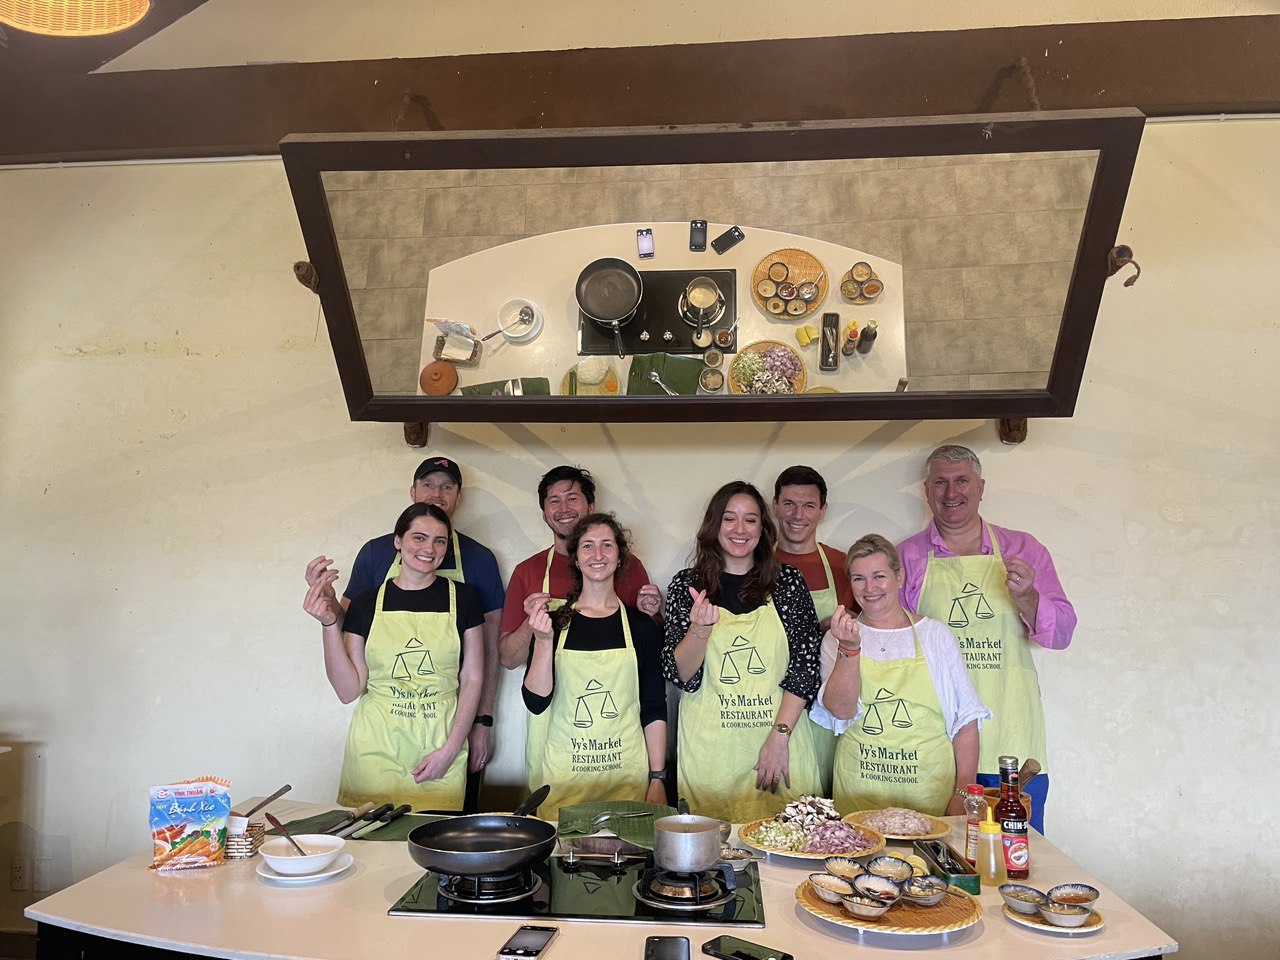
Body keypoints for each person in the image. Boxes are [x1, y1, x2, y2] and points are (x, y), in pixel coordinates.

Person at [305, 456, 504, 811]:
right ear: (397, 541)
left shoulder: (466, 598)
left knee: (435, 838)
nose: (428, 549)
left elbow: (473, 677)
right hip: (374, 752)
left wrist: (451, 749)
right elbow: (348, 691)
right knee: (368, 844)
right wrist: (328, 623)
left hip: (439, 748)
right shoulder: (365, 603)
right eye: (419, 537)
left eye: (439, 541)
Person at [898, 444, 1076, 832]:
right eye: (940, 483)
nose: (951, 493)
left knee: (1015, 854)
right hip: (936, 746)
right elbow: (892, 650)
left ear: (981, 487)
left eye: (962, 480)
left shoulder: (1024, 549)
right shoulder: (907, 557)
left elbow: (1062, 634)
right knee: (938, 857)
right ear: (926, 490)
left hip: (1011, 739)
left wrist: (1028, 597)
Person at [662, 481, 822, 823]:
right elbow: (681, 676)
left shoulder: (788, 583)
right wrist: (699, 629)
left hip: (781, 746)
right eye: (729, 518)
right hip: (712, 756)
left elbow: (805, 669)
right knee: (714, 850)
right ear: (714, 525)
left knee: (790, 843)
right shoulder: (687, 586)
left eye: (750, 520)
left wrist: (779, 738)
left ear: (762, 529)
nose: (740, 529)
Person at [812, 535, 989, 816]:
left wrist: (963, 792)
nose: (870, 588)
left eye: (879, 576)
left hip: (929, 798)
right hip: (859, 795)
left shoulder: (935, 635)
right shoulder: (838, 637)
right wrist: (849, 649)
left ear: (899, 577)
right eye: (859, 579)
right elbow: (841, 711)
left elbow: (966, 721)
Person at [522, 513, 669, 819]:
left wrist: (657, 778)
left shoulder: (641, 627)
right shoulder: (553, 623)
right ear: (575, 559)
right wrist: (544, 641)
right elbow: (536, 702)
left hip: (626, 778)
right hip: (564, 779)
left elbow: (654, 706)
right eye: (587, 546)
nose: (598, 554)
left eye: (607, 545)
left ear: (620, 557)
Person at [498, 465, 663, 670]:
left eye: (572, 498)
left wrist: (646, 614)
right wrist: (533, 621)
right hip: (552, 689)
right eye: (554, 501)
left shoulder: (626, 564)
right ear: (544, 514)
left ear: (591, 507)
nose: (564, 508)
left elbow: (655, 648)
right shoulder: (527, 571)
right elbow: (509, 659)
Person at [771, 464, 857, 796]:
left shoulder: (843, 566)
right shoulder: (756, 565)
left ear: (823, 510)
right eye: (789, 503)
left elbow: (870, 631)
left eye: (808, 505)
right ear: (775, 505)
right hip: (774, 705)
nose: (798, 515)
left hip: (828, 709)